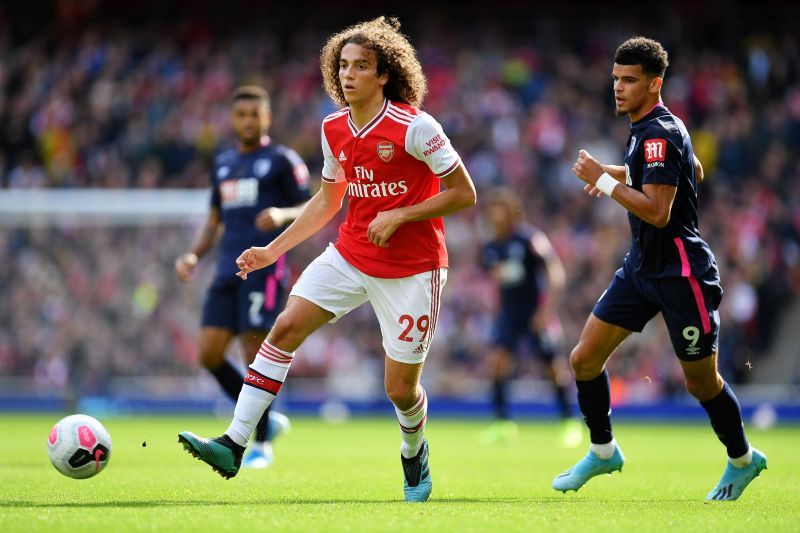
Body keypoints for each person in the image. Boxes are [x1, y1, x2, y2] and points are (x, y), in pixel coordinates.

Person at [178, 17, 476, 502]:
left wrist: (401, 214)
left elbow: (465, 193)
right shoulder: (333, 126)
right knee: (284, 328)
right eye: (342, 65)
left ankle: (413, 448)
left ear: (384, 75)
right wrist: (272, 250)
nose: (348, 74)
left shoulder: (416, 127)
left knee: (400, 390)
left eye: (362, 66)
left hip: (414, 268)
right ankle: (234, 443)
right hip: (351, 253)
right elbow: (327, 200)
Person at [551, 37, 766, 500]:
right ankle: (604, 451)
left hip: (682, 274)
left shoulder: (659, 132)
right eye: (615, 79)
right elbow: (694, 172)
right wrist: (622, 171)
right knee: (584, 359)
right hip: (642, 268)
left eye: (629, 80)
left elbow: (657, 212)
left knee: (700, 381)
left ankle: (743, 459)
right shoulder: (650, 129)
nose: (619, 88)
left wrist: (604, 180)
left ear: (655, 83)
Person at [174, 85, 310, 469]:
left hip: (264, 269)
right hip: (225, 271)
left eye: (255, 114)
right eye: (241, 114)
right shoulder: (223, 164)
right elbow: (213, 221)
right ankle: (262, 418)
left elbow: (313, 203)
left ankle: (262, 442)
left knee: (255, 354)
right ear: (232, 119)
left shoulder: (283, 160)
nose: (248, 120)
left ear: (267, 118)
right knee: (210, 354)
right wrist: (192, 255)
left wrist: (283, 215)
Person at [479, 187, 582, 447]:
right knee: (497, 363)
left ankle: (570, 422)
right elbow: (497, 279)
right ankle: (503, 424)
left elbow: (554, 271)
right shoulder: (492, 247)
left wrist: (546, 311)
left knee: (553, 367)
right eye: (493, 208)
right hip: (509, 314)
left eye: (501, 207)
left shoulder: (528, 238)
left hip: (535, 312)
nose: (496, 213)